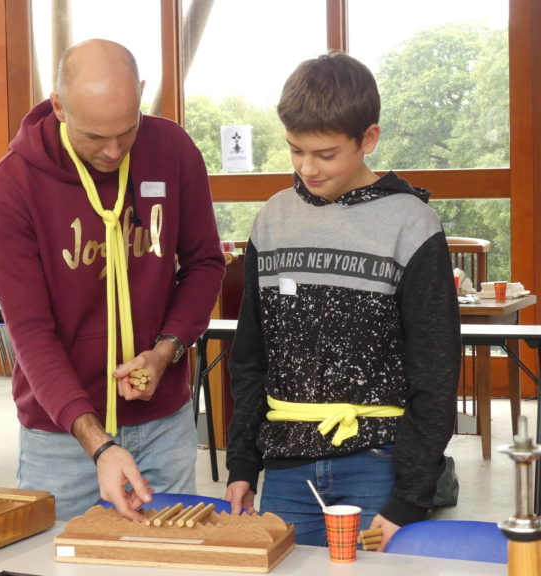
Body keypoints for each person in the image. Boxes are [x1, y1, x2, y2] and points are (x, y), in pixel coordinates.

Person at [0, 39, 225, 522]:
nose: (113, 151)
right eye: (94, 136)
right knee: (59, 555)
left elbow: (204, 263)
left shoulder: (173, 150)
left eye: (127, 131)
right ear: (59, 107)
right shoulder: (10, 188)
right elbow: (31, 332)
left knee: (169, 556)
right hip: (62, 435)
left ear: (141, 94)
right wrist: (98, 443)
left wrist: (166, 351)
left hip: (163, 422)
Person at [224, 50, 461, 551]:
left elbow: (435, 372)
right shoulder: (271, 219)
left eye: (326, 154)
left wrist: (409, 497)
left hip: (378, 465)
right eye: (295, 150)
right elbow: (250, 356)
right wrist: (243, 462)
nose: (307, 168)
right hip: (285, 470)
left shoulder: (412, 224)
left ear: (368, 139)